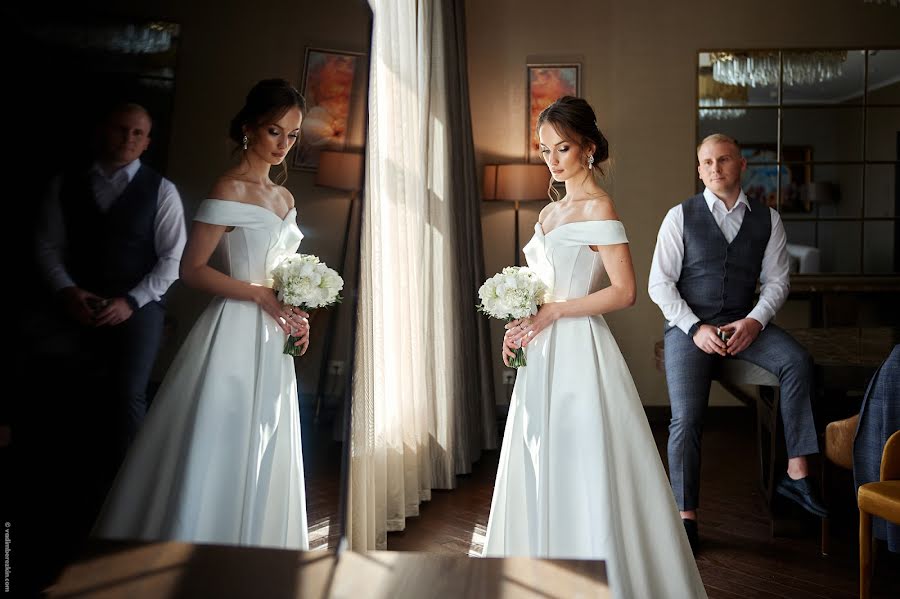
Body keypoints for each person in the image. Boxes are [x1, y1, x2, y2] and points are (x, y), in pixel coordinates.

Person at [482, 96, 707, 598]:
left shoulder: (598, 206)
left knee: (581, 461)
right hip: (541, 353)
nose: (553, 160)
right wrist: (520, 324)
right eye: (545, 150)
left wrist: (555, 312)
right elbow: (542, 286)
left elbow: (624, 292)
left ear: (588, 147)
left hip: (580, 351)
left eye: (563, 148)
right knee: (540, 457)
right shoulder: (550, 211)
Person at [92, 79, 312, 550]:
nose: (283, 144)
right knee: (220, 434)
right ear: (250, 127)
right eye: (275, 131)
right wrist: (258, 295)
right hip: (233, 328)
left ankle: (248, 546)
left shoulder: (285, 198)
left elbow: (282, 274)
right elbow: (192, 270)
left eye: (292, 135)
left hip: (273, 334)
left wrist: (293, 311)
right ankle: (192, 541)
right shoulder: (228, 187)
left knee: (261, 437)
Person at [648, 133, 828, 552]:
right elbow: (660, 284)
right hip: (689, 329)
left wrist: (754, 321)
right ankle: (686, 516)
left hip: (746, 325)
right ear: (699, 169)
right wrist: (695, 328)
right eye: (707, 162)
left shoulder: (769, 219)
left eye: (723, 160)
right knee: (686, 420)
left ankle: (797, 474)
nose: (715, 168)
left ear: (741, 164)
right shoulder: (680, 216)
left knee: (798, 362)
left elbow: (778, 282)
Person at [35, 102, 187, 453]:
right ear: (104, 130)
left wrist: (131, 302)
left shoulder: (162, 191)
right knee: (59, 386)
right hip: (73, 301)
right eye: (121, 129)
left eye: (138, 133)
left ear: (147, 142)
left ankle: (125, 487)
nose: (128, 138)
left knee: (128, 395)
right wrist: (68, 291)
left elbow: (172, 258)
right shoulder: (66, 183)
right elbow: (46, 245)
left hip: (139, 306)